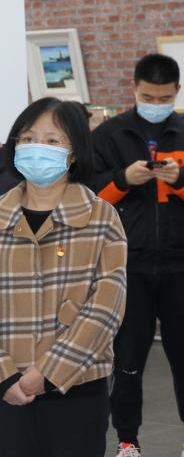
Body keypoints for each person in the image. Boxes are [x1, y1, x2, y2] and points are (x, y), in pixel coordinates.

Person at [90, 54, 184, 457]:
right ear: (134, 89)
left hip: (183, 264)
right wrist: (124, 179)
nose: (156, 103)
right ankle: (127, 440)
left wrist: (180, 178)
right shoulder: (110, 135)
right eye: (148, 96)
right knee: (127, 359)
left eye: (164, 97)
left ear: (177, 92)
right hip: (126, 265)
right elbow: (92, 195)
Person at [0, 98, 127, 457]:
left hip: (78, 388)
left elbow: (106, 307)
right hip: (4, 390)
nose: (36, 147)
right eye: (27, 138)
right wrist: (5, 374)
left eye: (52, 140)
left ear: (73, 154)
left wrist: (49, 372)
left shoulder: (101, 217)